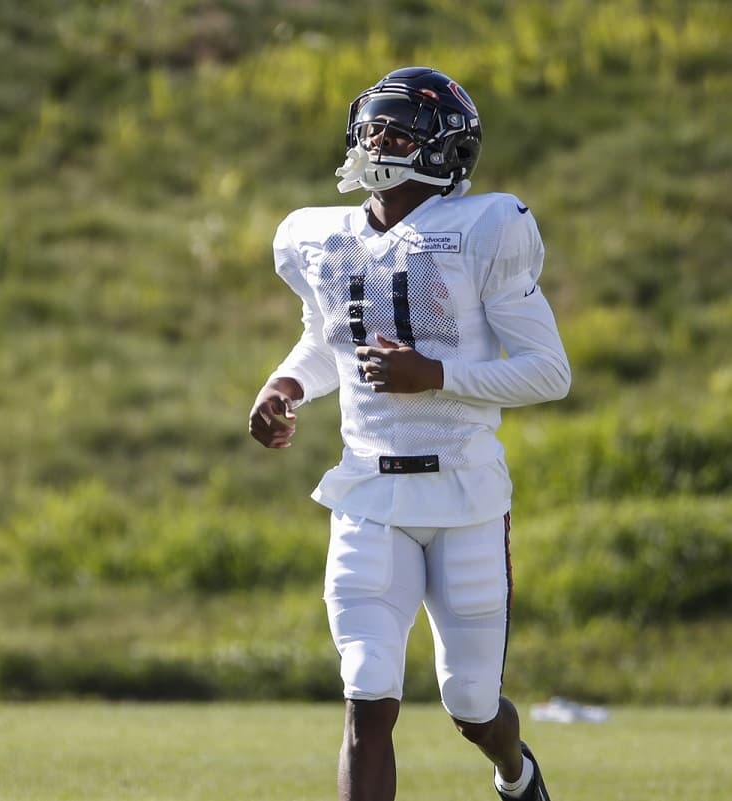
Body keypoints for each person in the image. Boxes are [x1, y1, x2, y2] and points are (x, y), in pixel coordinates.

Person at [248, 67, 569, 801]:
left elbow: (549, 372)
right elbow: (327, 339)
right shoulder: (319, 236)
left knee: (472, 705)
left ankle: (515, 772)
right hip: (367, 491)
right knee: (367, 693)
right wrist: (284, 385)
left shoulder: (485, 229)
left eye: (397, 134)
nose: (376, 145)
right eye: (370, 131)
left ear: (447, 150)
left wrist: (436, 375)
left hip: (464, 494)